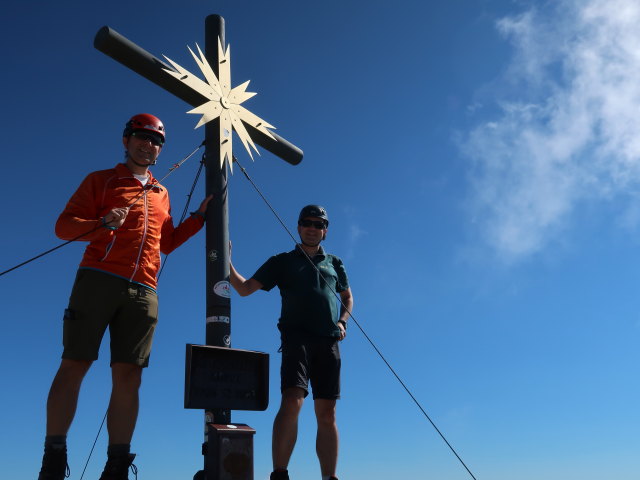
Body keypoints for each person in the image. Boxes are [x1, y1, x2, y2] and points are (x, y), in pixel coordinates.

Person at [37, 113, 212, 480]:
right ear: (126, 141)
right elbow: (62, 227)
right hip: (98, 278)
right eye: (140, 137)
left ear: (161, 149)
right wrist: (99, 224)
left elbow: (167, 243)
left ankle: (116, 465)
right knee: (75, 363)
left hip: (145, 290)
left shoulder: (162, 193)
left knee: (130, 375)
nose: (148, 145)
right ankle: (53, 457)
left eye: (155, 141)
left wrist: (197, 218)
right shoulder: (101, 181)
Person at [230, 205, 354, 480]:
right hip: (296, 337)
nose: (312, 227)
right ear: (298, 227)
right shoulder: (281, 261)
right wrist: (224, 261)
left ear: (325, 230)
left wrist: (342, 321)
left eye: (318, 224)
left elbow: (347, 297)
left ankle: (329, 477)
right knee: (292, 400)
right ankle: (280, 473)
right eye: (306, 222)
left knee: (327, 411)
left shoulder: (334, 263)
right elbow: (245, 288)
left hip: (329, 340)